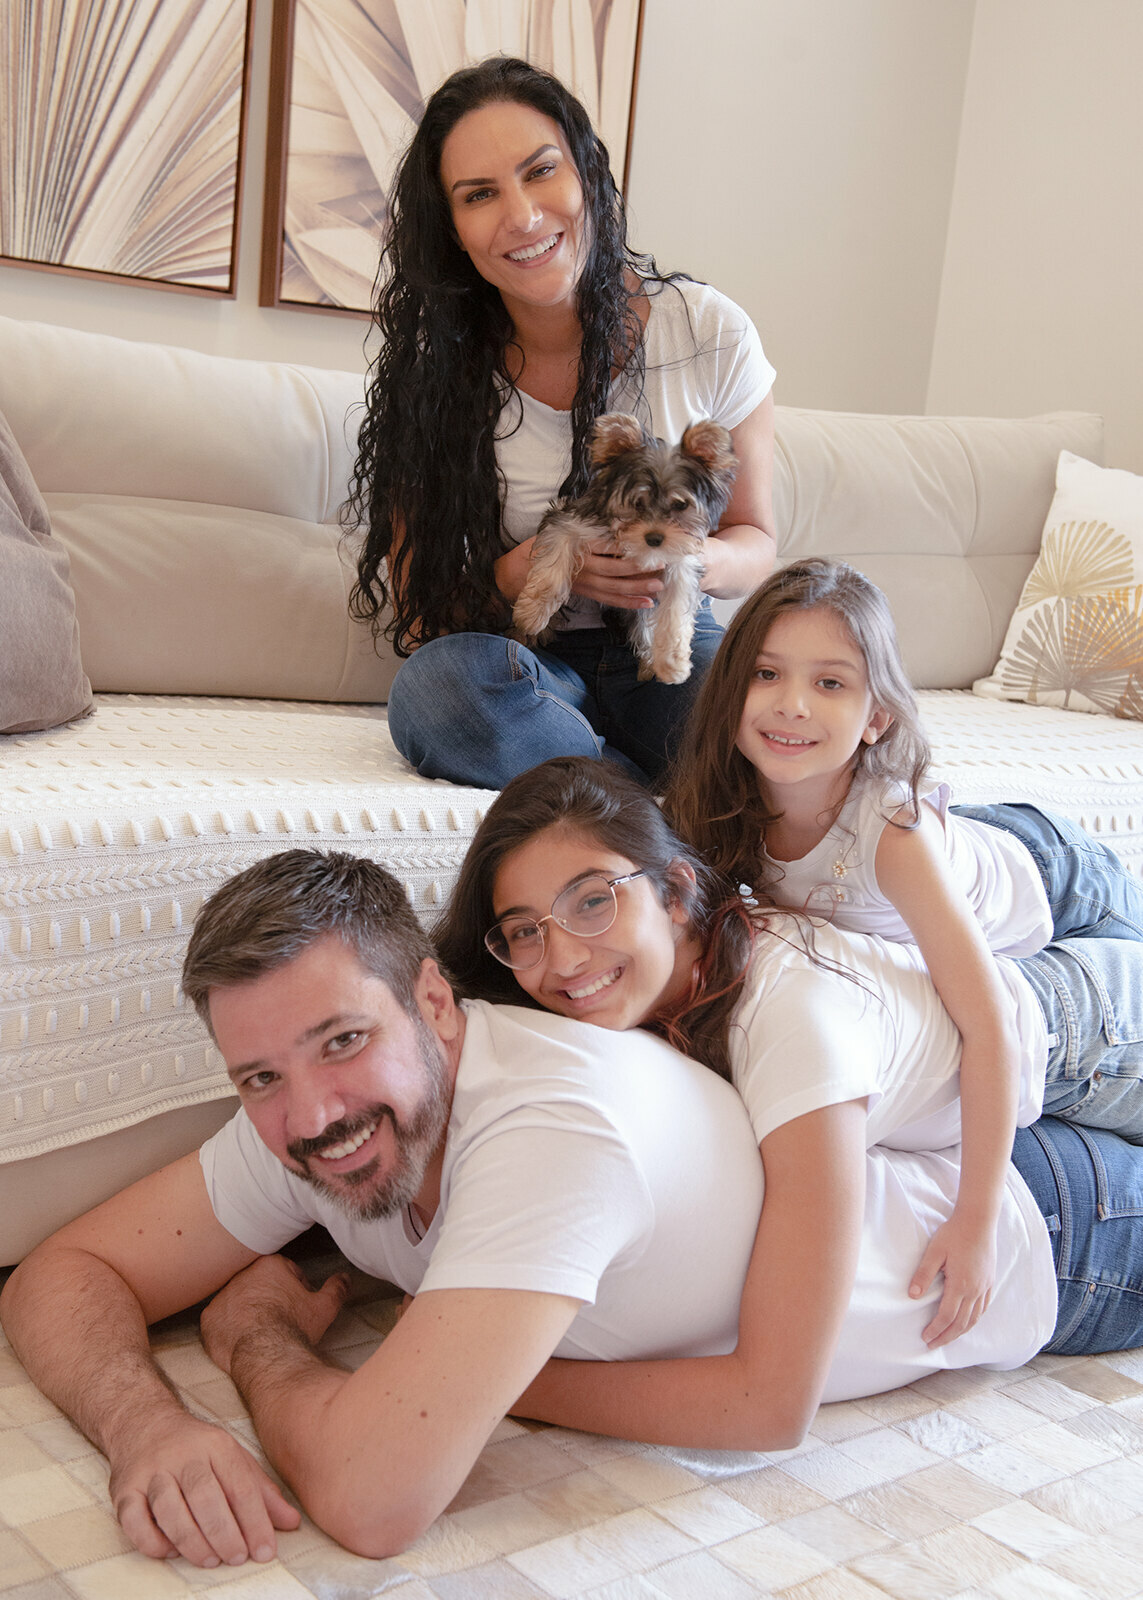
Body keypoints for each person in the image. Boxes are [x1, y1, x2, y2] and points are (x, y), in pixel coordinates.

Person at [0, 849, 765, 1566]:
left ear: (433, 1001)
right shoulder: (307, 1115)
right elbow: (63, 1269)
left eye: (342, 1041)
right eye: (260, 1077)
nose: (311, 1119)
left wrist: (255, 1340)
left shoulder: (554, 1127)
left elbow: (371, 1502)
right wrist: (145, 1427)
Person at [434, 755, 1143, 1445]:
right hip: (984, 1091)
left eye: (591, 901)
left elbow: (770, 1406)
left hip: (1073, 1034)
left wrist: (495, 1381)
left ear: (678, 893)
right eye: (525, 930)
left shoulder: (788, 1021)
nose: (560, 960)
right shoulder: (653, 987)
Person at [663, 557, 1143, 1335]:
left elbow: (985, 1024)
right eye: (765, 673)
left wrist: (974, 1221)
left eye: (830, 683)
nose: (790, 706)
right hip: (969, 889)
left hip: (1054, 877)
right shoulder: (716, 808)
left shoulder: (889, 830)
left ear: (875, 716)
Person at [344, 57, 777, 789]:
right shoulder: (434, 376)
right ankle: (643, 802)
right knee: (436, 692)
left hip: (669, 637)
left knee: (762, 707)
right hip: (525, 655)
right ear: (451, 229)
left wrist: (686, 563)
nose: (521, 215)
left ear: (587, 175)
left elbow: (755, 539)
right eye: (479, 194)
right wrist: (526, 568)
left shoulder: (707, 331)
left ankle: (587, 795)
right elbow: (422, 616)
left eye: (540, 171)